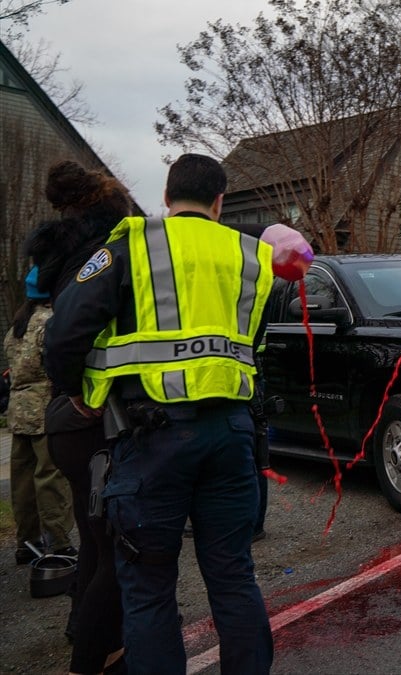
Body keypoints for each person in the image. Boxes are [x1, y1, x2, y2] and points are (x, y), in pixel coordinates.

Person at [44, 154, 277, 674]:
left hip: (152, 438)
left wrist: (79, 394)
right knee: (234, 577)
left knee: (148, 588)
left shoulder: (133, 243)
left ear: (168, 198)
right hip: (231, 435)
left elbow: (63, 332)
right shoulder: (248, 254)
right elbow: (252, 342)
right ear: (220, 202)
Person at [28, 159, 133, 671]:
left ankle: (82, 628)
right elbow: (67, 333)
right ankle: (97, 654)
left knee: (93, 538)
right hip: (89, 415)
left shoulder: (58, 252)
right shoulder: (109, 248)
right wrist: (80, 393)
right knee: (116, 546)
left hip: (65, 417)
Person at [4, 266, 75, 565]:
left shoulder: (17, 326)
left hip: (18, 411)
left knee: (22, 481)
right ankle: (59, 542)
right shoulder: (50, 322)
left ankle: (26, 542)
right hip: (45, 409)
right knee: (50, 476)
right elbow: (57, 363)